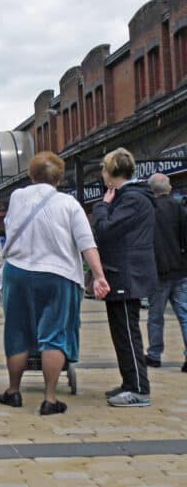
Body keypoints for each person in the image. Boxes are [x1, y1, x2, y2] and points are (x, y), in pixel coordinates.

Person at [0, 152, 110, 415]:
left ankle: (13, 392)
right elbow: (86, 244)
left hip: (19, 272)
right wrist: (99, 276)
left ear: (31, 175)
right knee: (55, 335)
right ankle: (49, 398)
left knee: (17, 333)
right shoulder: (69, 205)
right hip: (58, 275)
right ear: (59, 178)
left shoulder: (17, 197)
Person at [92, 148, 157, 407]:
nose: (102, 175)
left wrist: (101, 207)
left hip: (127, 273)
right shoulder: (128, 197)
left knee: (128, 332)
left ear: (112, 172)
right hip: (122, 272)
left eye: (104, 170)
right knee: (121, 331)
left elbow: (105, 231)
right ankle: (129, 382)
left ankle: (139, 388)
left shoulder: (132, 199)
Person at [145, 173, 187, 372]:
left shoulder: (149, 210)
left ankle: (154, 355)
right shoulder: (180, 208)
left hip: (157, 271)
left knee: (155, 316)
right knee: (184, 314)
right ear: (169, 189)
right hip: (180, 270)